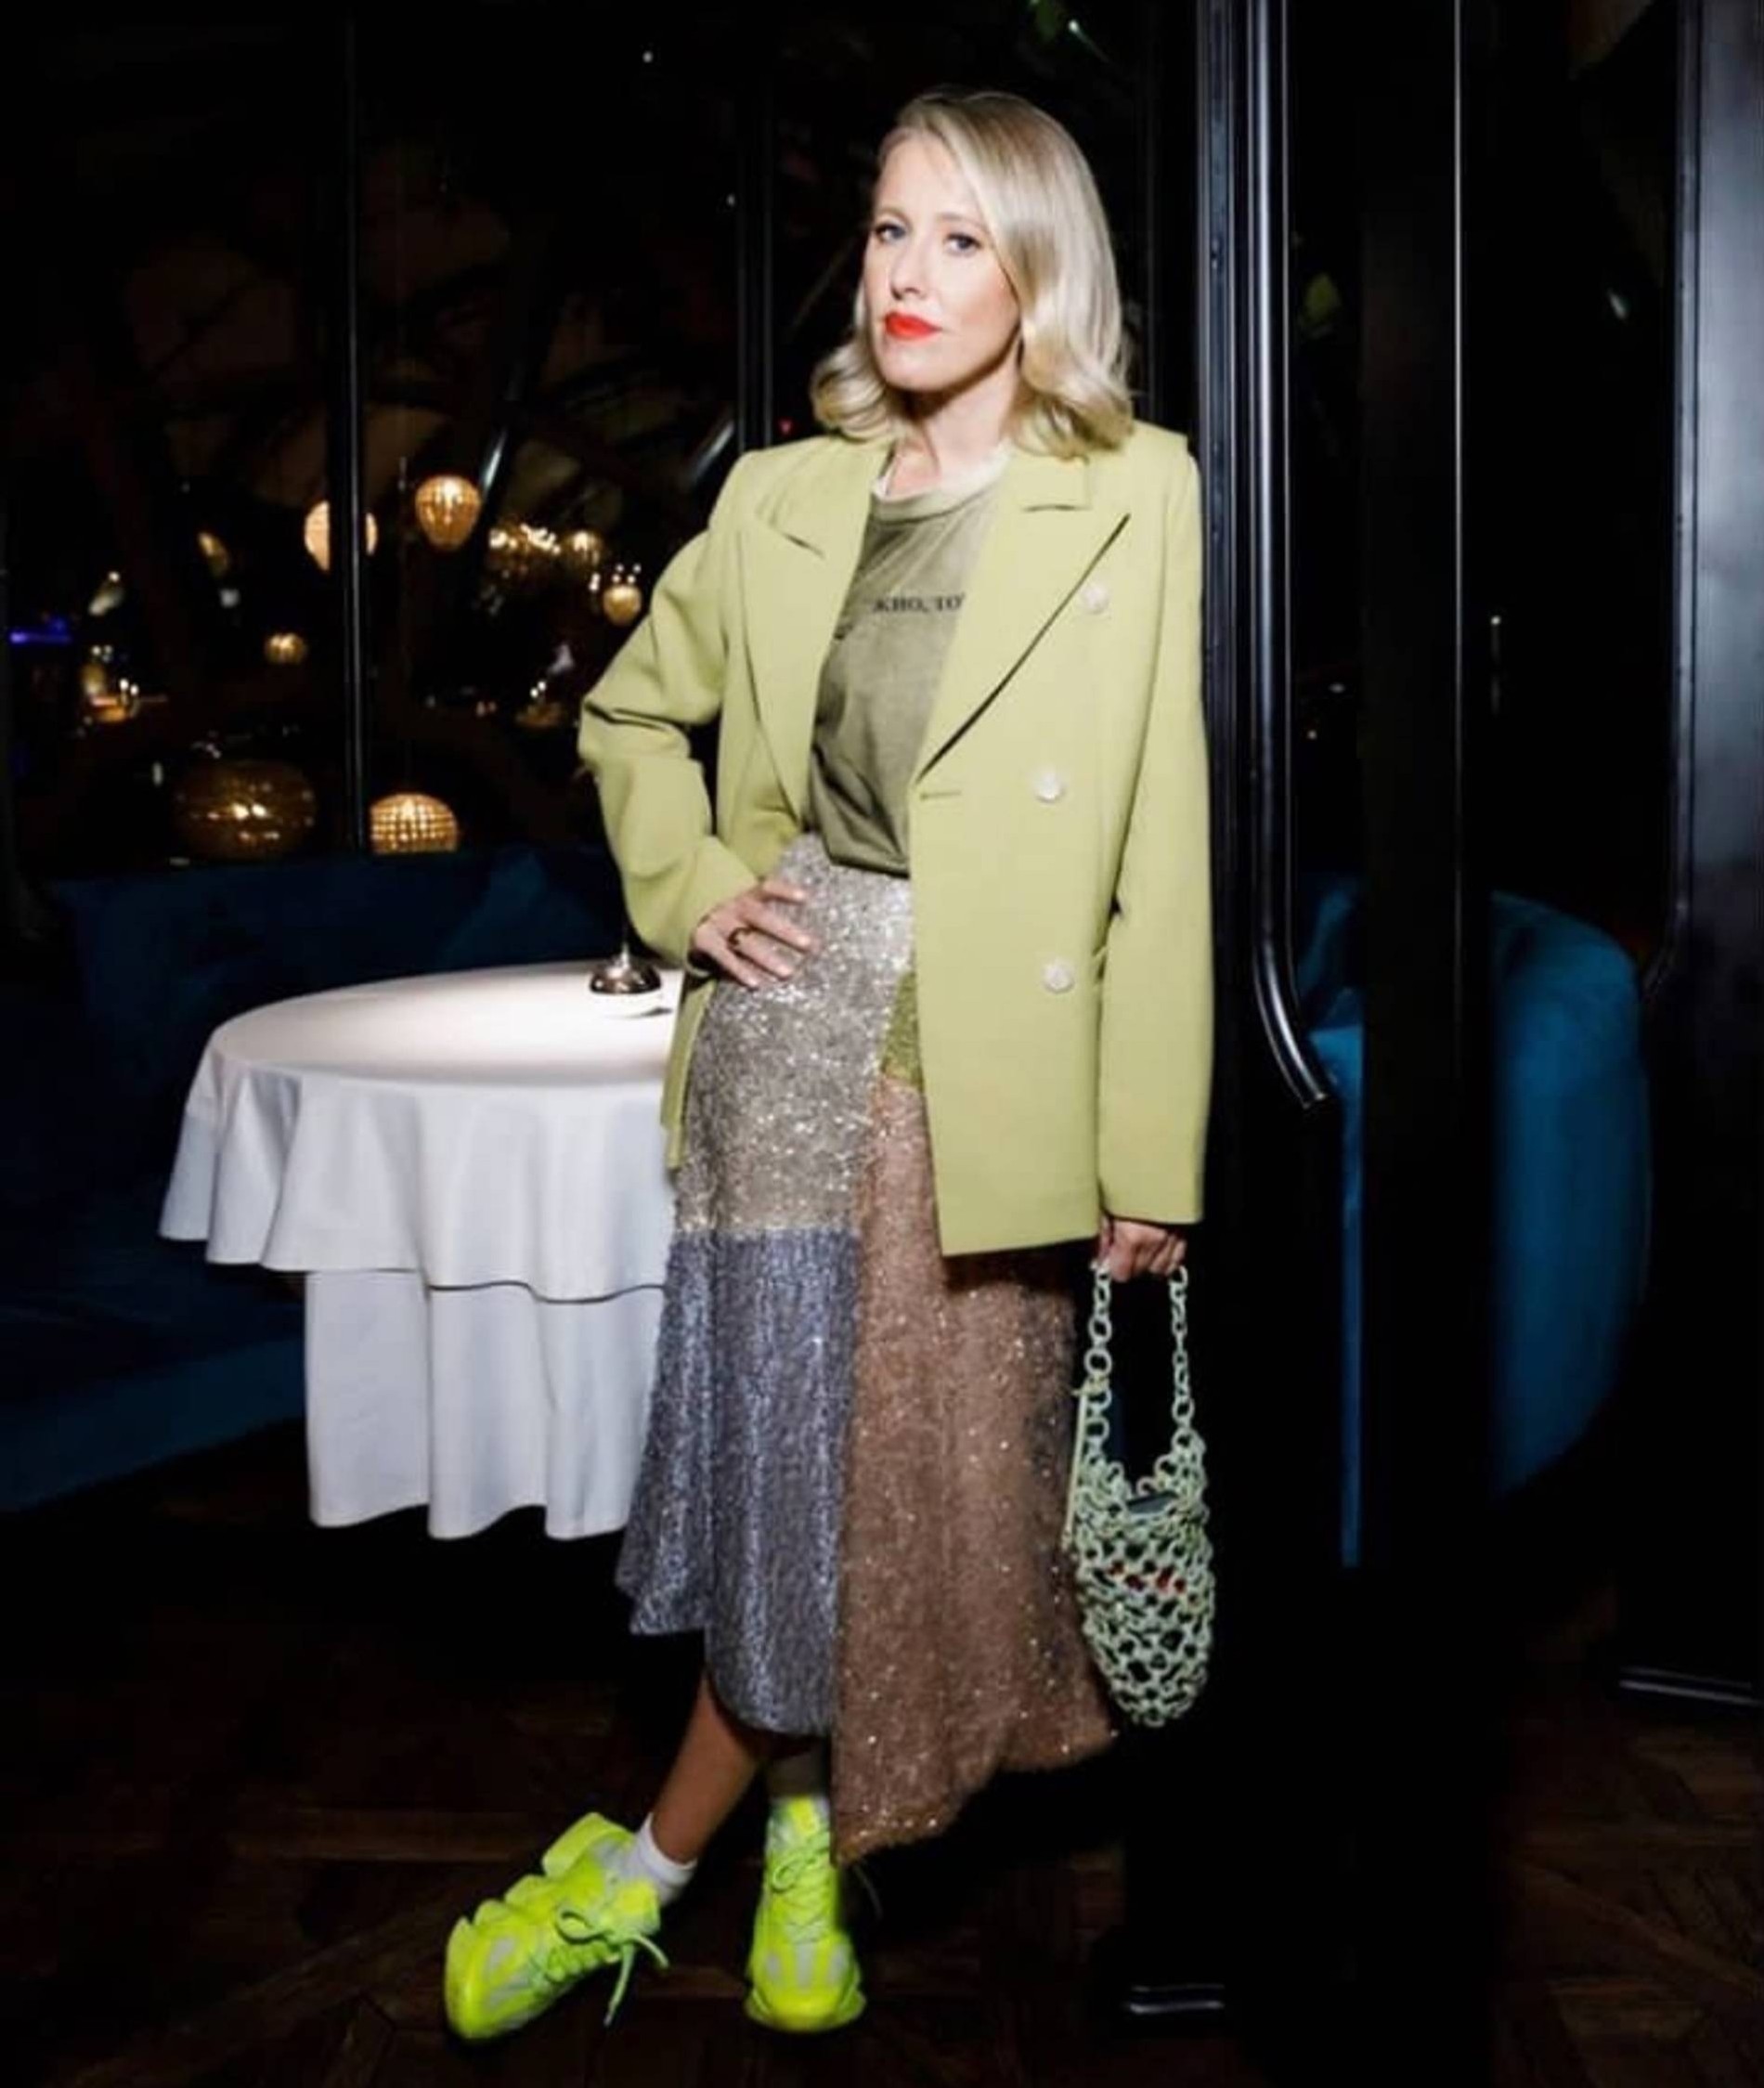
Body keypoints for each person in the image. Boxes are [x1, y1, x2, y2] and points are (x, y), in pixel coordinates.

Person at [443, 84, 1213, 2044]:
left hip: (986, 1089)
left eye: (960, 237)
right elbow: (631, 715)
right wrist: (696, 883)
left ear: (1037, 272)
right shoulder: (782, 497)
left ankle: (652, 1864)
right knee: (786, 1484)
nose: (909, 274)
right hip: (783, 1060)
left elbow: (1161, 846)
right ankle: (790, 1849)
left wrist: (1149, 1159)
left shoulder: (1136, 492)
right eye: (887, 229)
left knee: (910, 1506)